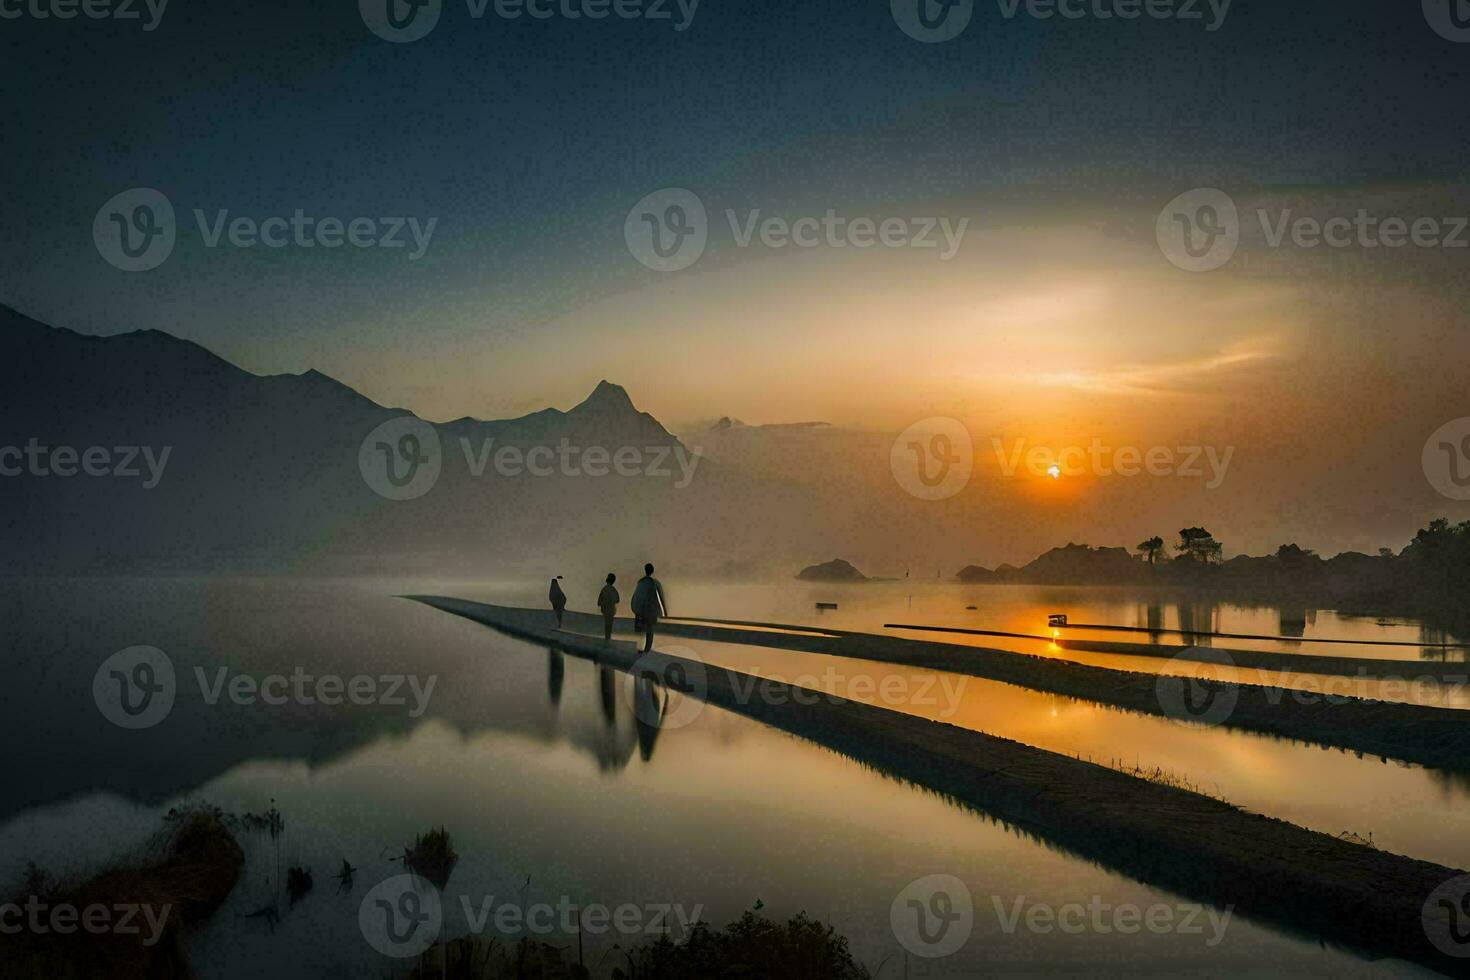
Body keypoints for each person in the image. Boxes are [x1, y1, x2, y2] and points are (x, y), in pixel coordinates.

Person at [630, 563, 667, 653]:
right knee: (650, 631)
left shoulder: (640, 582)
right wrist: (664, 610)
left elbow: (636, 596)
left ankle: (642, 649)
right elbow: (661, 597)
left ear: (645, 570)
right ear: (652, 571)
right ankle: (646, 649)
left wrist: (636, 609)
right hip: (651, 610)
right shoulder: (655, 582)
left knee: (642, 629)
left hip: (641, 610)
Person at [597, 573, 620, 642]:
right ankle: (608, 638)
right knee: (609, 625)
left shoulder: (604, 589)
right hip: (611, 610)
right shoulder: (613, 590)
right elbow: (617, 600)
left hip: (605, 610)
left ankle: (607, 638)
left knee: (606, 625)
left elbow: (599, 602)